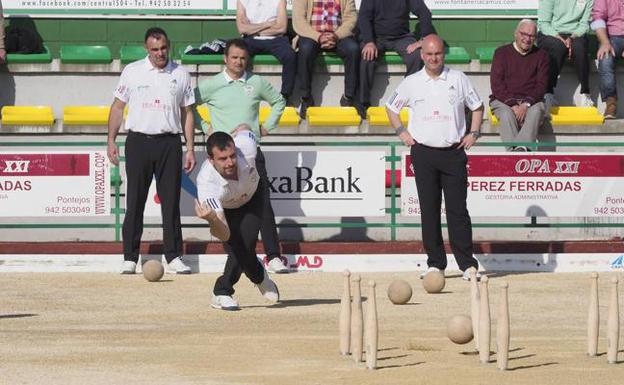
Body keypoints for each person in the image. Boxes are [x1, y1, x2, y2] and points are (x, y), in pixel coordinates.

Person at [385, 34, 483, 281]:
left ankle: (467, 265)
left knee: (458, 211)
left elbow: (478, 107)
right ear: (421, 55)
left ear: (443, 53)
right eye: (428, 54)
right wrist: (402, 132)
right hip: (423, 153)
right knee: (428, 210)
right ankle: (435, 263)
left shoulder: (458, 79)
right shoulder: (411, 82)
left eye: (437, 53)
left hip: (453, 153)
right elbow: (391, 107)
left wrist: (474, 132)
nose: (433, 58)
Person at [194, 38, 290, 274]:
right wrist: (206, 127)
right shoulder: (212, 84)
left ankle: (273, 255)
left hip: (249, 153)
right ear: (225, 58)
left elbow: (279, 101)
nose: (239, 62)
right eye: (235, 57)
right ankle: (237, 256)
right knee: (224, 209)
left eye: (243, 58)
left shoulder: (256, 82)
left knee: (263, 204)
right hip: (222, 157)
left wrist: (265, 128)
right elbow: (188, 104)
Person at [107, 27, 196, 275]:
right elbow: (117, 108)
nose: (160, 53)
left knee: (171, 203)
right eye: (155, 49)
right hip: (138, 142)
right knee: (135, 201)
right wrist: (111, 140)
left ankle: (174, 255)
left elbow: (188, 112)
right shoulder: (132, 71)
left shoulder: (181, 73)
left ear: (169, 46)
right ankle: (130, 257)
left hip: (169, 143)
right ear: (147, 49)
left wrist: (190, 147)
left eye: (163, 48)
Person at [195, 129, 280, 310]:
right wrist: (211, 219)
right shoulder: (206, 184)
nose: (230, 162)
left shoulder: (247, 146)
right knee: (237, 246)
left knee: (246, 240)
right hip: (228, 208)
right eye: (223, 159)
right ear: (211, 160)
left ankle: (221, 291)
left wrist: (242, 126)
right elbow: (224, 234)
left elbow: (248, 131)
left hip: (254, 195)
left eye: (232, 156)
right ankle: (258, 275)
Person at [357, 0, 435, 118]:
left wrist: (423, 40)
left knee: (416, 57)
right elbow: (363, 17)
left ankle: (407, 98)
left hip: (401, 37)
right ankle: (363, 102)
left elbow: (424, 13)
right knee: (367, 58)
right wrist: (369, 41)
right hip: (376, 38)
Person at [292, 0, 360, 118]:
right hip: (311, 34)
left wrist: (336, 36)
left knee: (353, 49)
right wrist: (318, 37)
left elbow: (351, 18)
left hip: (338, 35)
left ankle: (348, 97)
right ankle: (306, 98)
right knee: (305, 50)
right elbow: (298, 20)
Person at [490, 20, 549, 151]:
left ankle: (519, 151)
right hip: (503, 101)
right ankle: (518, 153)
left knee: (536, 110)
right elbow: (497, 85)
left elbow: (542, 85)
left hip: (531, 101)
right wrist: (513, 105)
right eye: (524, 34)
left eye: (532, 36)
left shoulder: (542, 56)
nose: (527, 39)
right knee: (506, 114)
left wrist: (526, 104)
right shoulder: (501, 53)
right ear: (516, 34)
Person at [236, 0, 297, 103]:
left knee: (290, 56)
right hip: (251, 40)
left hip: (276, 39)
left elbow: (282, 28)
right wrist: (267, 24)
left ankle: (285, 97)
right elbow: (242, 28)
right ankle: (237, 93)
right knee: (237, 54)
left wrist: (253, 28)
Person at [537, 0, 594, 108]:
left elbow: (584, 25)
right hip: (551, 32)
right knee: (558, 47)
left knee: (580, 49)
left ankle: (585, 93)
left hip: (575, 34)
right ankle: (547, 92)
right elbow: (544, 24)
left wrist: (572, 38)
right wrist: (560, 38)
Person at [592, 0, 624, 119]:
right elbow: (598, 18)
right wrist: (605, 42)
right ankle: (611, 103)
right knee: (605, 58)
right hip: (612, 37)